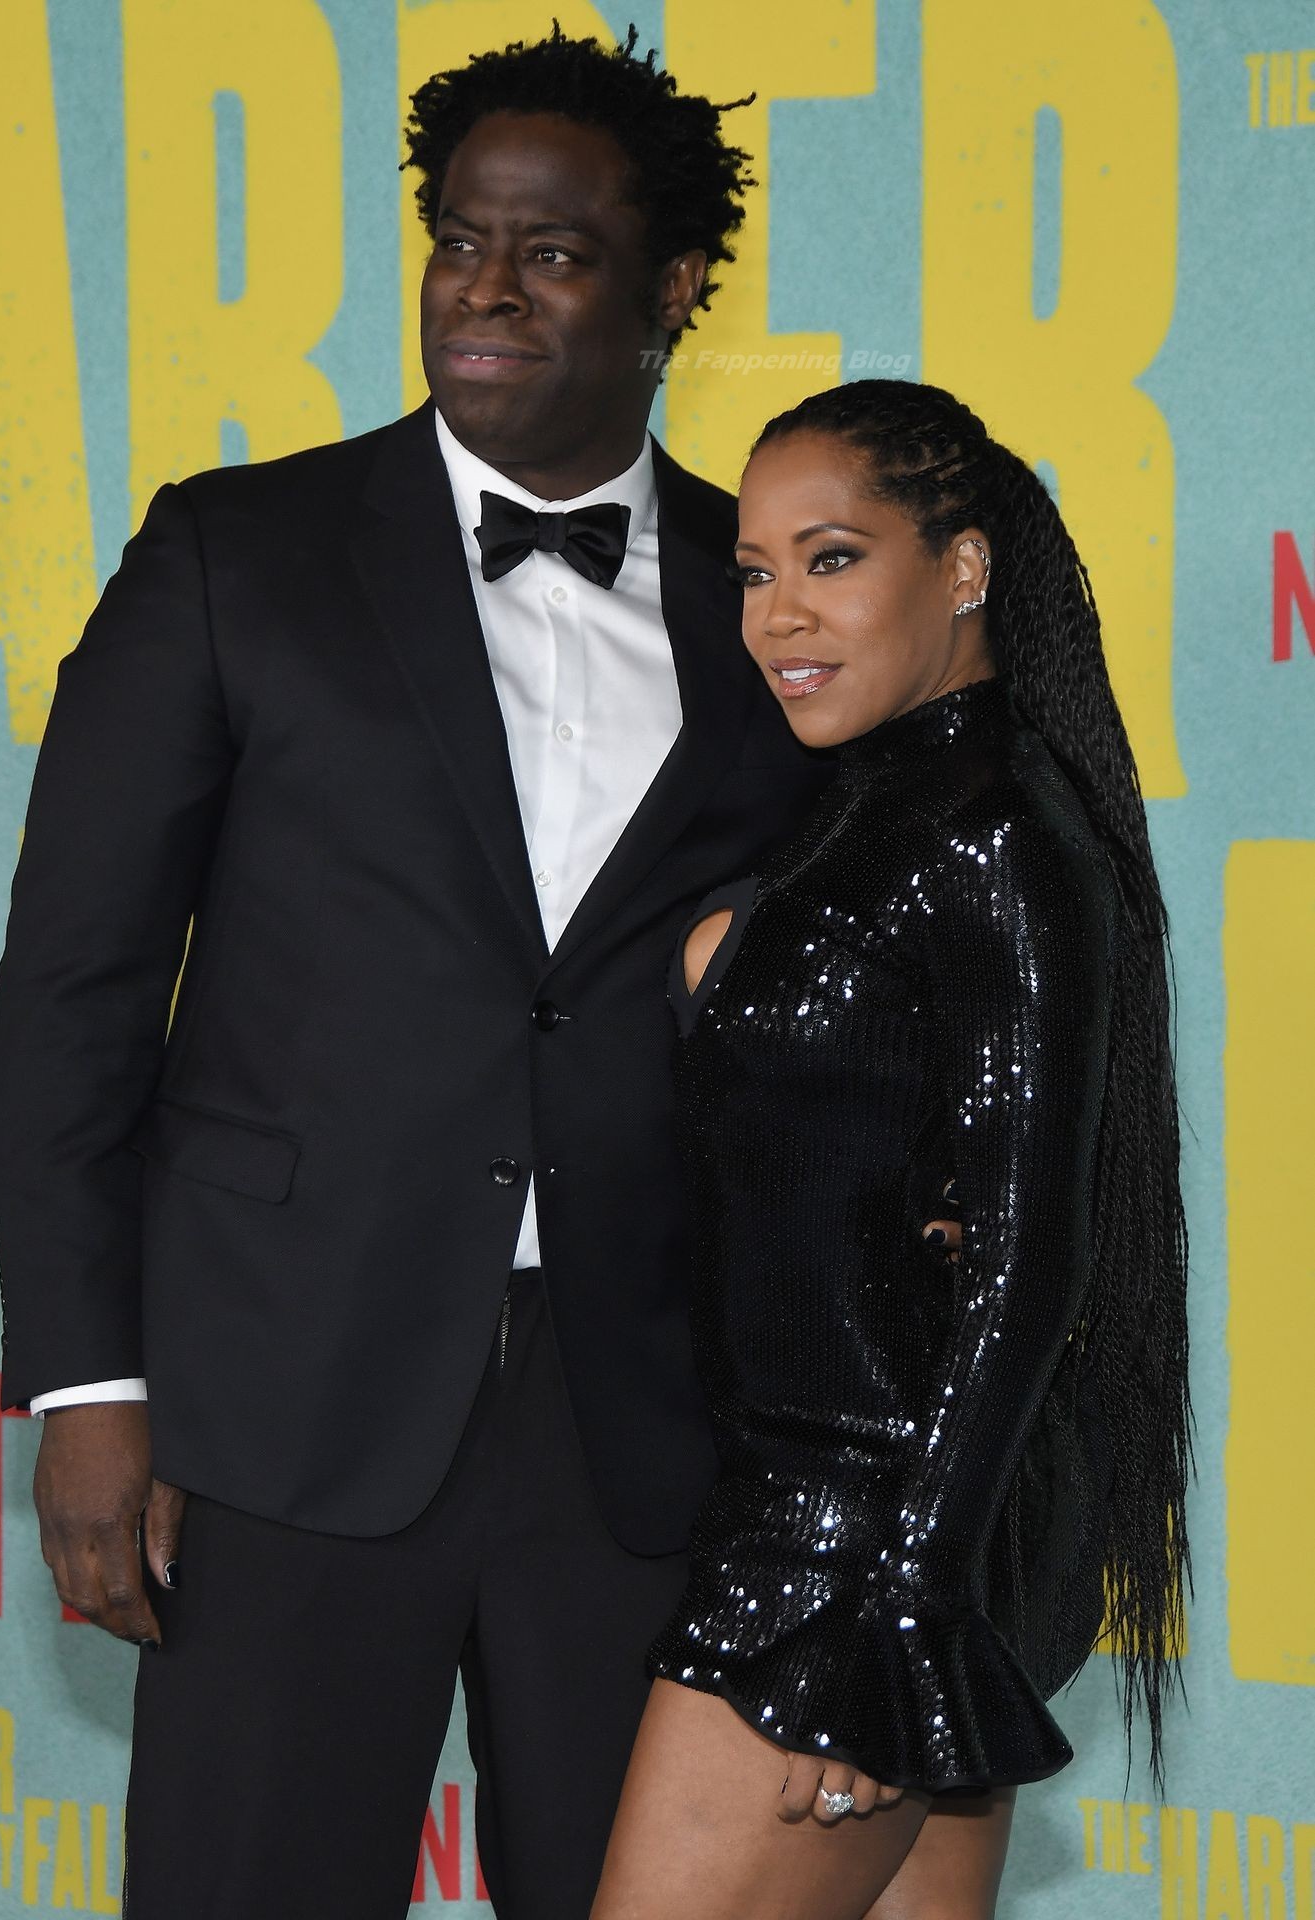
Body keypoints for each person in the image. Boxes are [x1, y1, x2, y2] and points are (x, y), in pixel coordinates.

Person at [0, 31, 961, 1920]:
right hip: (282, 1393)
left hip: (650, 1423)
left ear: (676, 287)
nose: (486, 291)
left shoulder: (770, 592)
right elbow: (75, 989)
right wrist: (88, 1385)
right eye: (458, 241)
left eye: (555, 252)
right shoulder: (235, 552)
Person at [591, 380, 1193, 1920]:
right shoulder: (872, 810)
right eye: (753, 571)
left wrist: (905, 1607)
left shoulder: (988, 833)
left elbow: (1026, 1253)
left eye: (832, 559)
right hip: (875, 1520)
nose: (778, 614)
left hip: (859, 1542)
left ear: (965, 567)